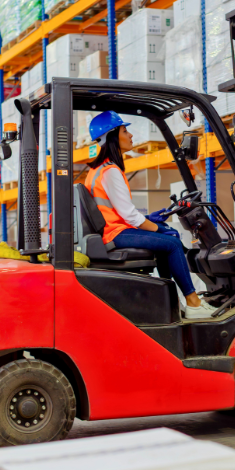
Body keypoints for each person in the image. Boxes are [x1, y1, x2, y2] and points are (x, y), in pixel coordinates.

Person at [84, 111, 215, 320]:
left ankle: (172, 302)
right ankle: (193, 302)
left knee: (167, 238)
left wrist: (153, 219)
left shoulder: (98, 170)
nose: (131, 136)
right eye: (125, 131)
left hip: (114, 229)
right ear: (112, 136)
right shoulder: (110, 171)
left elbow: (120, 211)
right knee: (171, 241)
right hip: (116, 233)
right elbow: (129, 216)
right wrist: (160, 229)